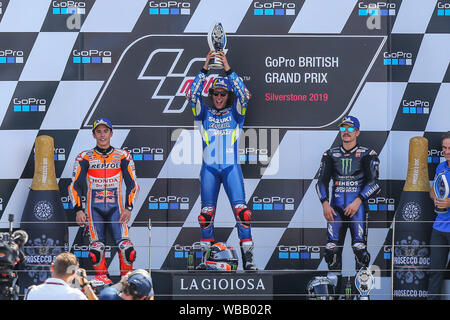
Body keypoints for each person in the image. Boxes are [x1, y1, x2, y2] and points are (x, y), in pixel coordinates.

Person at [185, 50, 256, 270]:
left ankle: (249, 261)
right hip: (209, 170)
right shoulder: (203, 113)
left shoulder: (236, 113)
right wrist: (204, 67)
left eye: (223, 94)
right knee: (206, 216)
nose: (218, 97)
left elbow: (245, 95)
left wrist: (228, 68)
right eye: (215, 93)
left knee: (243, 214)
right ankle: (206, 261)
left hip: (231, 168)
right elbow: (191, 96)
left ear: (228, 96)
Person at [315, 116, 381, 297]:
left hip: (357, 209)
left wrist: (358, 200)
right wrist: (325, 203)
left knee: (360, 251)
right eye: (343, 128)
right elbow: (321, 182)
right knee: (331, 252)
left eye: (350, 129)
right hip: (335, 210)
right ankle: (333, 295)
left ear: (357, 132)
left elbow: (375, 183)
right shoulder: (330, 154)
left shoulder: (368, 154)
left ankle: (363, 296)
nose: (346, 132)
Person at [68, 118, 140, 284]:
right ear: (93, 134)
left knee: (126, 249)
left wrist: (129, 208)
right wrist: (78, 209)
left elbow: (133, 184)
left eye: (105, 131)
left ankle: (126, 282)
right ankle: (103, 281)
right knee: (96, 249)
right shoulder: (84, 157)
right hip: (94, 210)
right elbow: (74, 186)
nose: (102, 135)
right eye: (98, 131)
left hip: (118, 209)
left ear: (111, 133)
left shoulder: (123, 156)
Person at [427, 131, 450, 300]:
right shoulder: (440, 167)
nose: (447, 151)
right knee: (435, 272)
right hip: (439, 227)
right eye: (444, 148)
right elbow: (432, 191)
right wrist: (434, 194)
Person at [25, 252, 97, 300]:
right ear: (74, 273)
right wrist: (85, 284)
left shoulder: (31, 292)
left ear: (52, 267)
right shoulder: (76, 295)